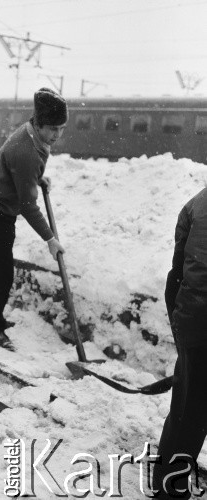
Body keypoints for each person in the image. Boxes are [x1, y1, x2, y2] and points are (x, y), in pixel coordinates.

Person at [0, 87, 68, 351]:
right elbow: (27, 205)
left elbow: (18, 173)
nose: (57, 135)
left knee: (2, 272)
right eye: (52, 129)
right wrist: (50, 238)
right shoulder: (26, 151)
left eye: (62, 128)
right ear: (38, 124)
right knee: (0, 274)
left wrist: (35, 179)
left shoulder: (31, 134)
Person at [152, 187, 207, 498]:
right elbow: (198, 276)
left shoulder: (197, 202)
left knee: (189, 409)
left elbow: (176, 277)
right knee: (191, 412)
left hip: (193, 320)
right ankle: (169, 490)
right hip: (201, 323)